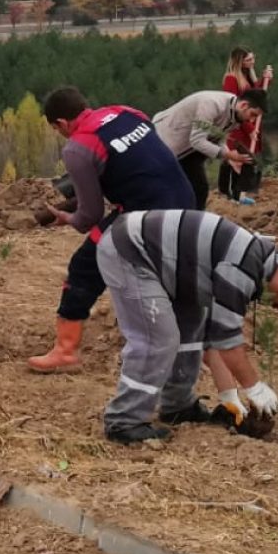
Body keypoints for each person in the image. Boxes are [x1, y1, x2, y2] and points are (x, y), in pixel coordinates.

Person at [95, 207, 278, 443]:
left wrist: (230, 398)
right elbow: (227, 342)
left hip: (164, 264)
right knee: (158, 339)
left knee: (192, 330)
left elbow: (213, 340)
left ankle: (178, 407)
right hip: (131, 250)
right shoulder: (243, 268)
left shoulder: (254, 262)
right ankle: (124, 421)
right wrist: (254, 387)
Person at [27, 87, 195, 376]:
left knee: (84, 267)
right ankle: (186, 336)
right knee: (167, 271)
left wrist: (67, 218)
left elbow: (89, 216)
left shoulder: (78, 147)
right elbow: (132, 164)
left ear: (61, 124)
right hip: (185, 201)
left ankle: (65, 352)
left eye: (58, 130)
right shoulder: (125, 111)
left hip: (146, 215)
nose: (61, 135)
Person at [151, 87, 266, 210]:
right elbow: (197, 140)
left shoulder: (235, 115)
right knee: (172, 190)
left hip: (188, 150)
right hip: (163, 142)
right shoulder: (212, 105)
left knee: (198, 189)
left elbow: (218, 138)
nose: (252, 120)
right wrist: (227, 155)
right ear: (244, 105)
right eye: (253, 114)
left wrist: (231, 158)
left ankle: (191, 222)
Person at [218, 47, 272, 205]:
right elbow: (233, 105)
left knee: (245, 159)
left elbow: (257, 95)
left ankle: (238, 194)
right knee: (235, 159)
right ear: (239, 62)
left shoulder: (248, 77)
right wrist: (248, 129)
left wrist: (265, 79)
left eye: (253, 59)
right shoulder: (231, 79)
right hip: (238, 127)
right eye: (248, 60)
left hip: (249, 123)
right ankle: (228, 194)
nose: (252, 62)